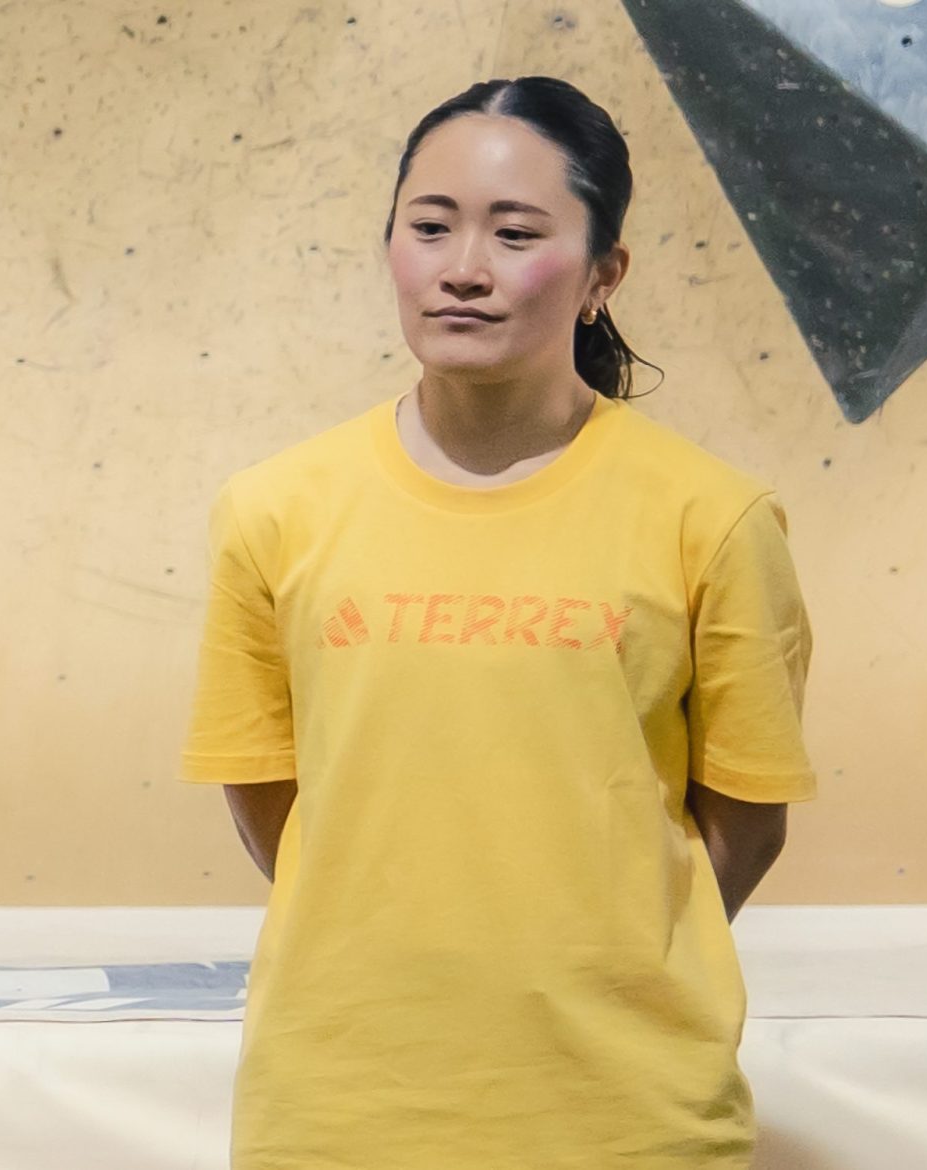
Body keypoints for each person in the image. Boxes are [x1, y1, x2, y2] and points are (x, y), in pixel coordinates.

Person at [181, 75, 816, 1170]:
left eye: (516, 234)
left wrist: (609, 948)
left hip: (628, 1118)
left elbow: (746, 823)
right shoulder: (273, 509)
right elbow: (272, 802)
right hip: (337, 1113)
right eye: (430, 228)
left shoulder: (713, 517)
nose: (464, 268)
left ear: (603, 276)